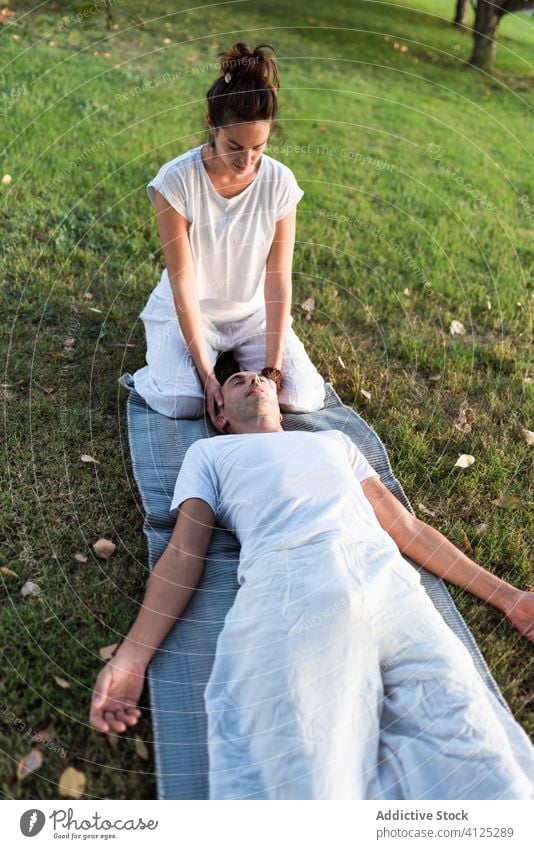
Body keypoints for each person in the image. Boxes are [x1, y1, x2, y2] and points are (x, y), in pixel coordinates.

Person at [90, 367, 534, 800]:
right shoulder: (210, 454)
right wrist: (132, 659)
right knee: (309, 769)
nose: (254, 380)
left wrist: (510, 598)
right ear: (220, 414)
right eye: (236, 381)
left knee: (474, 746)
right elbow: (185, 552)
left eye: (260, 377)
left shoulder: (333, 442)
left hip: (388, 584)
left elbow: (406, 529)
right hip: (292, 587)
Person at [132, 41, 325, 430]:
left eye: (259, 147)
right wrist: (206, 375)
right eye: (234, 146)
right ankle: (161, 370)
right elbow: (183, 283)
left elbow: (277, 280)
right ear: (211, 125)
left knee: (302, 397)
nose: (247, 160)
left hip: (252, 313)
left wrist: (270, 370)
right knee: (181, 400)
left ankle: (239, 362)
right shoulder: (176, 181)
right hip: (189, 310)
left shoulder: (280, 182)